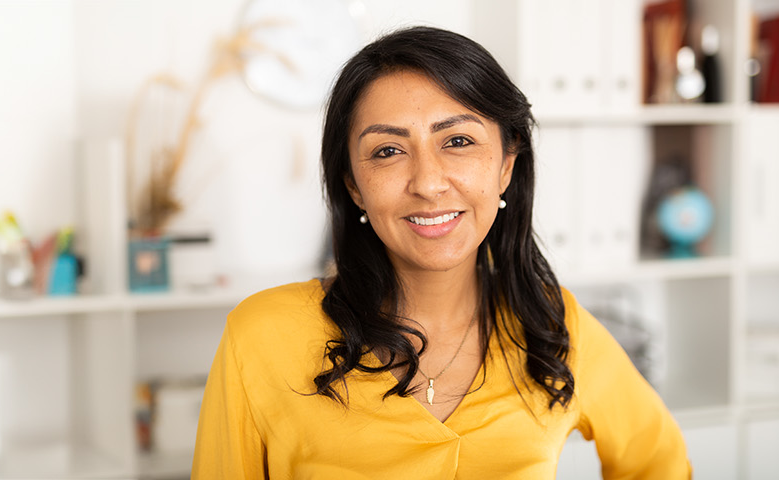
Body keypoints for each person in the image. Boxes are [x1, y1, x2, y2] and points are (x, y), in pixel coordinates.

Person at [193, 26, 690, 479]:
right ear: (354, 186)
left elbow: (660, 462)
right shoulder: (260, 336)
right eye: (388, 151)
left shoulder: (552, 324)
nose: (429, 184)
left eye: (457, 140)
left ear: (505, 166)